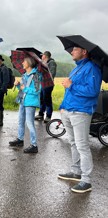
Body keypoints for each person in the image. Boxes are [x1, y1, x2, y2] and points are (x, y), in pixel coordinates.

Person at [57, 46, 102, 193]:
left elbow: (93, 91)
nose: (71, 52)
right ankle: (76, 172)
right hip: (68, 110)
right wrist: (63, 107)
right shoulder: (76, 69)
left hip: (81, 111)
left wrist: (72, 85)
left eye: (75, 49)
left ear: (84, 51)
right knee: (73, 143)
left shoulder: (92, 68)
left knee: (82, 146)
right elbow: (69, 90)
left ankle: (86, 180)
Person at [9, 56, 42, 154]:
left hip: (30, 102)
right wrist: (18, 85)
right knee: (21, 121)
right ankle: (20, 139)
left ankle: (34, 145)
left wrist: (25, 88)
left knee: (29, 123)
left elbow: (37, 90)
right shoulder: (24, 75)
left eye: (24, 61)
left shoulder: (36, 75)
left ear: (29, 63)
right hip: (23, 101)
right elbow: (22, 88)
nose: (22, 63)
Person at [35, 51, 57, 123]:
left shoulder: (51, 63)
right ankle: (41, 114)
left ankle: (48, 116)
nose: (41, 57)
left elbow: (52, 73)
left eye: (42, 55)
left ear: (45, 56)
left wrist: (44, 70)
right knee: (42, 99)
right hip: (42, 83)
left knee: (47, 99)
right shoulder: (43, 63)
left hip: (48, 84)